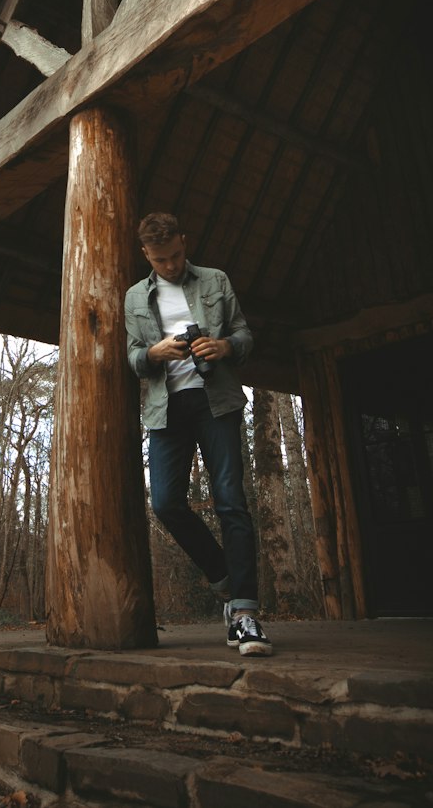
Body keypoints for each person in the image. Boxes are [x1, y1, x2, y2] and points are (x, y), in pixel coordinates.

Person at [124, 212, 272, 656]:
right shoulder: (135, 297)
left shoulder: (215, 279)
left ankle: (246, 617)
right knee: (166, 502)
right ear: (146, 254)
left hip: (217, 400)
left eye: (176, 255)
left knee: (231, 501)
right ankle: (227, 582)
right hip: (165, 407)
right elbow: (132, 355)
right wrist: (155, 352)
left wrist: (224, 346)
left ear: (184, 243)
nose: (170, 266)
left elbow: (244, 335)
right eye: (161, 259)